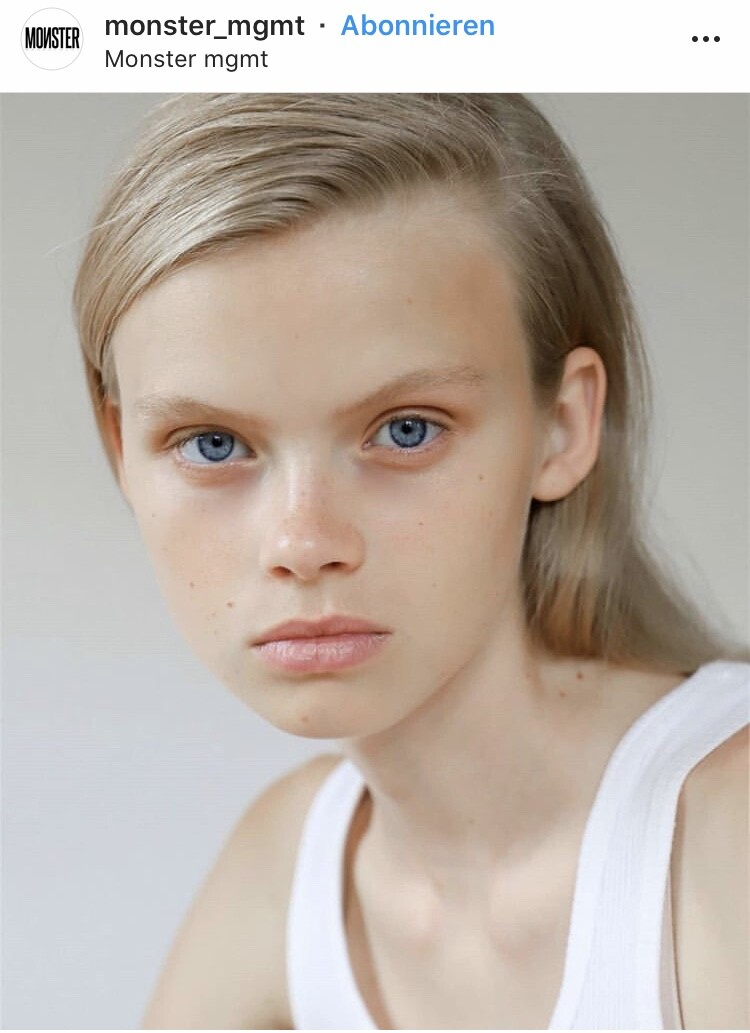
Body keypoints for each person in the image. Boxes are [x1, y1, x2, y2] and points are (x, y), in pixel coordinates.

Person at [73, 94, 748, 1030]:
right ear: (121, 451)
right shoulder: (287, 870)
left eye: (405, 430)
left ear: (563, 425)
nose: (303, 543)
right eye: (213, 444)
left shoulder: (727, 833)